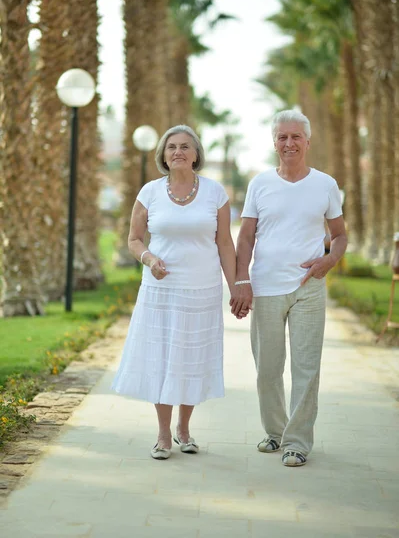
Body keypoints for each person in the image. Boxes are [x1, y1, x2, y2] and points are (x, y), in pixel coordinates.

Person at [112, 124, 237, 460]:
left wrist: (236, 284)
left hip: (202, 289)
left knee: (191, 357)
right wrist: (149, 258)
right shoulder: (149, 192)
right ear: (163, 156)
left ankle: (185, 428)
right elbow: (134, 239)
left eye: (185, 146)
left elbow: (224, 243)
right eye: (172, 147)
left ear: (196, 154)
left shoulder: (215, 193)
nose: (178, 152)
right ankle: (164, 433)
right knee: (163, 357)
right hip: (160, 289)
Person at [230, 110, 347, 467]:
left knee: (306, 367)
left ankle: (297, 442)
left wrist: (327, 262)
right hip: (265, 287)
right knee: (267, 368)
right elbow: (246, 236)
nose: (289, 143)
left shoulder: (325, 184)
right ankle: (276, 432)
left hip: (308, 288)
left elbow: (340, 235)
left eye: (296, 137)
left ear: (308, 142)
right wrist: (242, 280)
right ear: (274, 143)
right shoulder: (260, 184)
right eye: (282, 137)